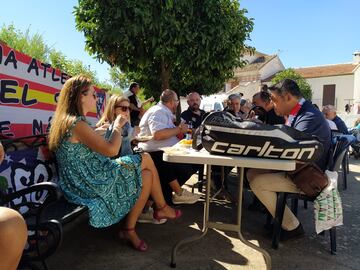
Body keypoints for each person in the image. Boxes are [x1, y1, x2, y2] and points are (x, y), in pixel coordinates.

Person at [48, 75, 181, 252]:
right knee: (147, 158)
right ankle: (162, 207)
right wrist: (117, 126)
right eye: (93, 95)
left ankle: (129, 229)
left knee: (147, 175)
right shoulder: (77, 123)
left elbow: (80, 150)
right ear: (80, 96)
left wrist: (97, 132)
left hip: (79, 181)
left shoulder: (67, 122)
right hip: (90, 183)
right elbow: (111, 150)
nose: (97, 98)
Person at [247, 79, 331, 240]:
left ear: (287, 97)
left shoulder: (308, 117)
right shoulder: (302, 112)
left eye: (274, 99)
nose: (272, 103)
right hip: (300, 169)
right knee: (252, 173)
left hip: (307, 177)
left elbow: (290, 151)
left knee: (257, 183)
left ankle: (292, 227)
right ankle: (275, 210)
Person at [96, 94, 166, 225]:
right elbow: (108, 150)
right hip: (112, 170)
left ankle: (137, 217)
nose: (127, 112)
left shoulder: (124, 127)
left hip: (125, 164)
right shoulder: (107, 127)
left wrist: (134, 137)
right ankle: (160, 207)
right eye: (123, 108)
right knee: (151, 160)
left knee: (148, 173)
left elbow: (130, 138)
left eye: (129, 109)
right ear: (112, 109)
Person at [138, 89, 200, 205]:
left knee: (195, 163)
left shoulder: (164, 112)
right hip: (154, 153)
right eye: (177, 101)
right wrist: (179, 129)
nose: (177, 104)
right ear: (172, 102)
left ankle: (162, 199)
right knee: (186, 167)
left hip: (162, 151)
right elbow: (158, 134)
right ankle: (175, 194)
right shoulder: (158, 111)